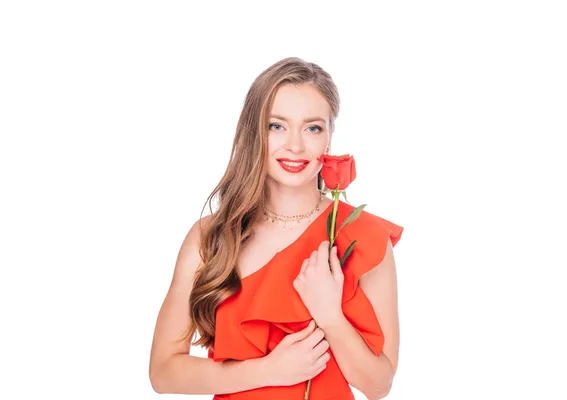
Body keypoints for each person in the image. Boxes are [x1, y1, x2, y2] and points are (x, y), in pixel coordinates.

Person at [149, 57, 404, 399]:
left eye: (313, 128)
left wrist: (330, 315)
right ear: (254, 132)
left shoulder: (362, 236)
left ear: (329, 139)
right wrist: (268, 371)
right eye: (277, 126)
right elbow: (163, 373)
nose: (296, 146)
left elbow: (379, 384)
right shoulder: (211, 238)